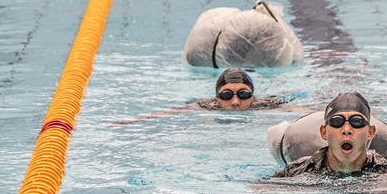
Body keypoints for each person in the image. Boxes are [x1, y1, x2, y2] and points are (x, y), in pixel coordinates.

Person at [272, 92, 387, 177]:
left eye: (357, 121)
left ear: (370, 132)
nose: (346, 129)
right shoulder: (295, 172)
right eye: (337, 121)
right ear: (324, 132)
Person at [110, 68, 304, 126]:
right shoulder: (204, 106)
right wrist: (131, 122)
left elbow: (301, 111)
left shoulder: (266, 105)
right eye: (227, 95)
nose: (235, 102)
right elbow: (169, 113)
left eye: (243, 95)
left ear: (254, 98)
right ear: (216, 99)